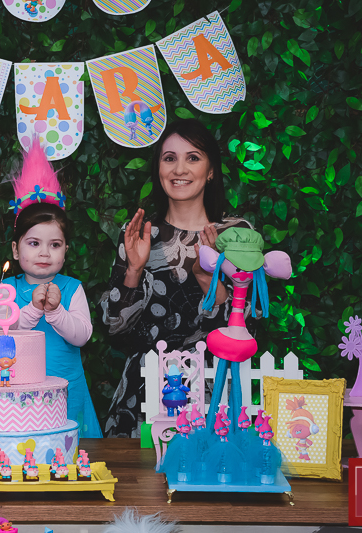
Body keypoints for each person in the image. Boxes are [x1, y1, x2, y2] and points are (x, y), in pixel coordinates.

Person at [99, 119, 254, 438]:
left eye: (193, 157)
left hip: (213, 394)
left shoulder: (236, 235)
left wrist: (206, 277)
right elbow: (113, 327)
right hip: (143, 395)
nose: (179, 169)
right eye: (169, 158)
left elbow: (246, 331)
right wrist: (134, 270)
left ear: (211, 171)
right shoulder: (141, 234)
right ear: (158, 168)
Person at [0, 140, 102, 438]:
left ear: (66, 251)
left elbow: (82, 336)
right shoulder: (7, 288)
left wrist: (55, 312)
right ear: (16, 250)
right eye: (33, 243)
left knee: (70, 451)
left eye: (54, 245)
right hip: (18, 391)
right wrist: (31, 310)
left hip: (67, 392)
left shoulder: (72, 288)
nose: (44, 252)